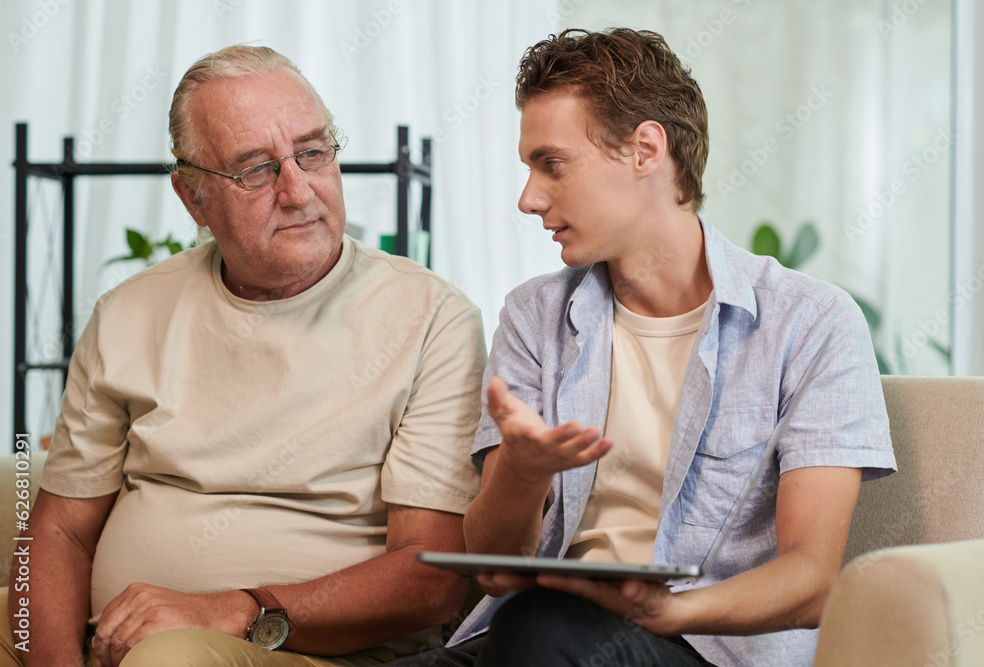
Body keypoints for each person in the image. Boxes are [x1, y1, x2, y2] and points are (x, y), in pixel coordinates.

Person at [391, 28, 896, 667]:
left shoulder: (811, 324)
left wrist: (668, 608)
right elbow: (494, 570)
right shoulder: (534, 316)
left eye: (552, 164)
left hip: (701, 645)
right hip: (530, 638)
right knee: (536, 628)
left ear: (645, 149)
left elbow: (812, 579)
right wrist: (521, 470)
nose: (528, 199)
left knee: (545, 628)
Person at [1, 45, 487, 667]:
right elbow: (58, 529)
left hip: (292, 649)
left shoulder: (432, 320)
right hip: (106, 636)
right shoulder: (128, 312)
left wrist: (239, 609)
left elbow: (432, 581)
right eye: (255, 169)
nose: (297, 190)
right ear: (192, 197)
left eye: (312, 152)